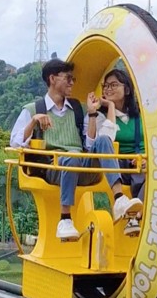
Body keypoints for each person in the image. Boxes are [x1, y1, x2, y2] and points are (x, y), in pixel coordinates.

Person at [10, 59, 142, 241]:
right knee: (71, 157)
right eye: (68, 78)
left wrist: (93, 113)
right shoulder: (33, 110)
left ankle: (119, 198)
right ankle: (65, 218)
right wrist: (33, 122)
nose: (72, 83)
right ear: (53, 79)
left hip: (83, 166)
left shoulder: (77, 109)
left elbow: (89, 143)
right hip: (54, 168)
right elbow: (16, 143)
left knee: (103, 140)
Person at [87, 68, 146, 235]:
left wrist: (146, 159)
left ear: (127, 89)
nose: (108, 89)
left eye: (113, 85)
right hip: (115, 164)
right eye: (105, 86)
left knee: (154, 173)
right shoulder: (98, 116)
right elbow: (106, 138)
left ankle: (134, 217)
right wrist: (111, 106)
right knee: (105, 141)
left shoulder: (140, 116)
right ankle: (120, 200)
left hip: (140, 161)